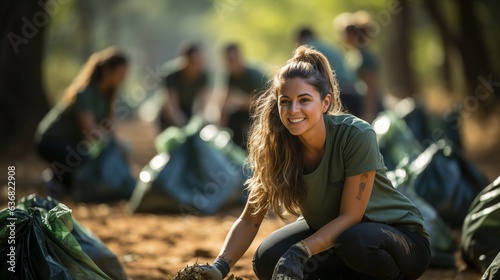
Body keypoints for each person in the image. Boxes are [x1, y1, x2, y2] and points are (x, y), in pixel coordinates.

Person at [185, 46, 431, 279]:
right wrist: (220, 266)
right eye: (285, 101)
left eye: (304, 100)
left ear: (325, 103)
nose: (293, 110)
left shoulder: (356, 135)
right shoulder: (276, 147)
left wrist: (301, 251)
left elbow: (350, 217)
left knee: (356, 241)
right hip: (337, 238)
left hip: (399, 239)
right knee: (267, 259)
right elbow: (250, 218)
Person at [35, 47, 128, 198]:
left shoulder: (107, 96)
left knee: (90, 155)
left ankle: (60, 182)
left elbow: (108, 127)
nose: (123, 78)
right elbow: (89, 129)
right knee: (84, 157)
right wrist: (107, 145)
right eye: (121, 72)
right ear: (107, 71)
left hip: (72, 143)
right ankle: (53, 179)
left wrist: (118, 145)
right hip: (50, 141)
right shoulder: (86, 93)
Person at [295, 26, 363, 118]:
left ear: (300, 38)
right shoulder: (328, 46)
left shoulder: (307, 50)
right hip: (353, 93)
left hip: (339, 94)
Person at [335, 11, 384, 123]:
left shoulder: (365, 56)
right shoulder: (354, 55)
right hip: (359, 106)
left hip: (370, 107)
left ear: (352, 34)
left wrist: (369, 114)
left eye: (344, 33)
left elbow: (371, 87)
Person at [220, 43, 267, 148]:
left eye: (234, 59)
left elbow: (264, 99)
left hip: (264, 110)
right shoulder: (232, 76)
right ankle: (238, 149)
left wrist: (242, 101)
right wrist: (221, 121)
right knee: (233, 119)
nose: (232, 63)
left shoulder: (252, 75)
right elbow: (226, 98)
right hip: (248, 110)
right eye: (229, 60)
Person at [160, 42, 210, 130]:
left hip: (188, 109)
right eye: (195, 62)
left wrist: (199, 120)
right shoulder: (172, 75)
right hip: (168, 112)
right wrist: (181, 124)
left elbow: (203, 104)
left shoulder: (203, 75)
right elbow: (171, 105)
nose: (198, 65)